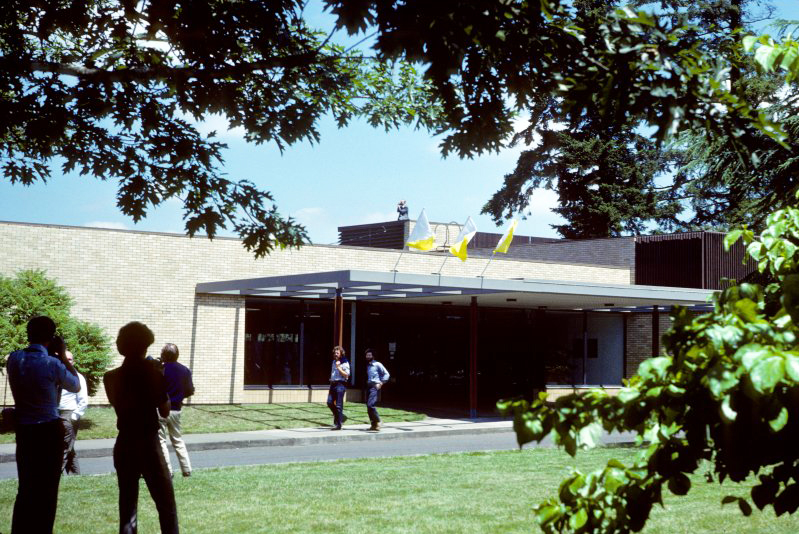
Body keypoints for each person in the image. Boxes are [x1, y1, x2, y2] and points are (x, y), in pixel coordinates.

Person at [6, 316, 81, 534]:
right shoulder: (52, 363)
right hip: (48, 430)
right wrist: (64, 356)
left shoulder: (14, 359)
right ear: (51, 337)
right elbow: (75, 386)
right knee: (47, 490)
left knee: (26, 488)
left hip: (24, 429)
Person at [104, 322, 179, 534]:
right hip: (148, 442)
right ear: (145, 346)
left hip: (124, 442)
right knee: (166, 504)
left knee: (127, 506)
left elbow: (116, 402)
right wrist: (160, 377)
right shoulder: (153, 374)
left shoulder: (110, 377)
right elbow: (164, 410)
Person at [158, 343, 194, 478]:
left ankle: (168, 471)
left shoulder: (160, 369)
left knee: (161, 441)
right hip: (176, 409)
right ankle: (186, 469)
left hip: (161, 409)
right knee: (177, 439)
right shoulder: (185, 370)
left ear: (164, 355)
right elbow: (190, 390)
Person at [59, 349, 89, 474]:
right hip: (56, 413)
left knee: (64, 446)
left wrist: (74, 417)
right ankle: (76, 475)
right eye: (65, 358)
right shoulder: (58, 375)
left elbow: (83, 400)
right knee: (68, 447)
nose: (67, 361)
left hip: (68, 414)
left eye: (70, 359)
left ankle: (55, 473)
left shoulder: (78, 377)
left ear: (74, 361)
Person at [364, 348, 390, 431]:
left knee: (370, 405)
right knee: (368, 407)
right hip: (368, 386)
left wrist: (381, 383)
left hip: (374, 387)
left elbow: (387, 374)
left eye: (369, 355)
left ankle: (378, 421)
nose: (368, 356)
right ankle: (374, 425)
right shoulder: (368, 365)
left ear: (373, 356)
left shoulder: (378, 364)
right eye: (367, 355)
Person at [326, 345, 350, 430]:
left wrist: (339, 367)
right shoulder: (334, 362)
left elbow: (347, 374)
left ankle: (338, 425)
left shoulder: (344, 362)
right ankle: (340, 417)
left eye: (337, 353)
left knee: (339, 405)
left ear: (341, 354)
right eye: (335, 353)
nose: (336, 354)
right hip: (333, 384)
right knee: (329, 402)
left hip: (340, 385)